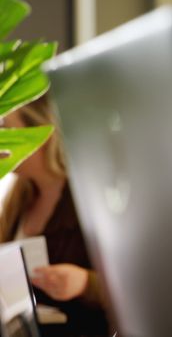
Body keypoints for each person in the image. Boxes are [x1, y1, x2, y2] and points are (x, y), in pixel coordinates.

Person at [0, 94, 110, 336]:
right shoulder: (17, 199)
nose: (1, 137)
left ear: (43, 131)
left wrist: (84, 283)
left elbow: (140, 288)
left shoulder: (90, 197)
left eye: (5, 126)